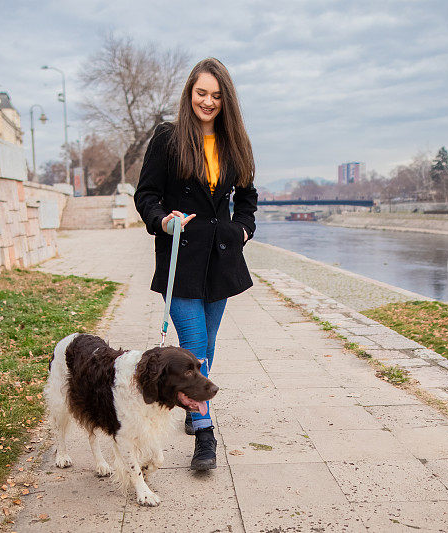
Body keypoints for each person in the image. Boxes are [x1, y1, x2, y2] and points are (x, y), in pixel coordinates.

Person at [134, 58, 257, 471]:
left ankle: (191, 403)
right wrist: (162, 221)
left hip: (221, 262)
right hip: (181, 260)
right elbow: (146, 194)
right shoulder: (168, 139)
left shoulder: (234, 141)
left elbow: (248, 198)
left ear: (226, 101)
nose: (208, 101)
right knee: (196, 345)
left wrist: (242, 230)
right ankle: (205, 437)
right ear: (190, 93)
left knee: (208, 345)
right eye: (201, 93)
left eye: (216, 95)